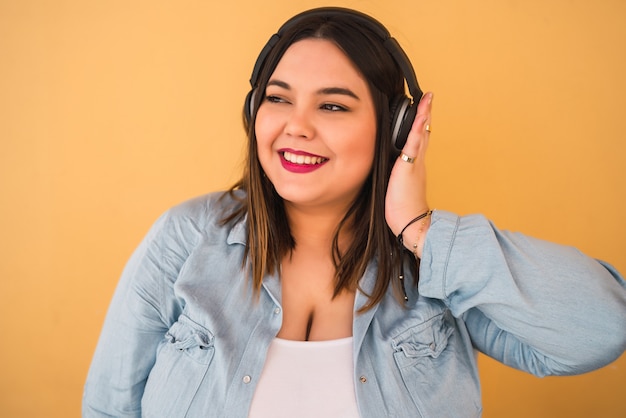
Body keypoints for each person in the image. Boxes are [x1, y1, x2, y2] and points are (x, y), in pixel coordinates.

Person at [82, 7, 626, 418]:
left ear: (395, 129)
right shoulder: (186, 237)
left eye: (333, 105)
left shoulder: (437, 267)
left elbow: (600, 328)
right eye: (278, 98)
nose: (296, 125)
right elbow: (108, 407)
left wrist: (423, 231)